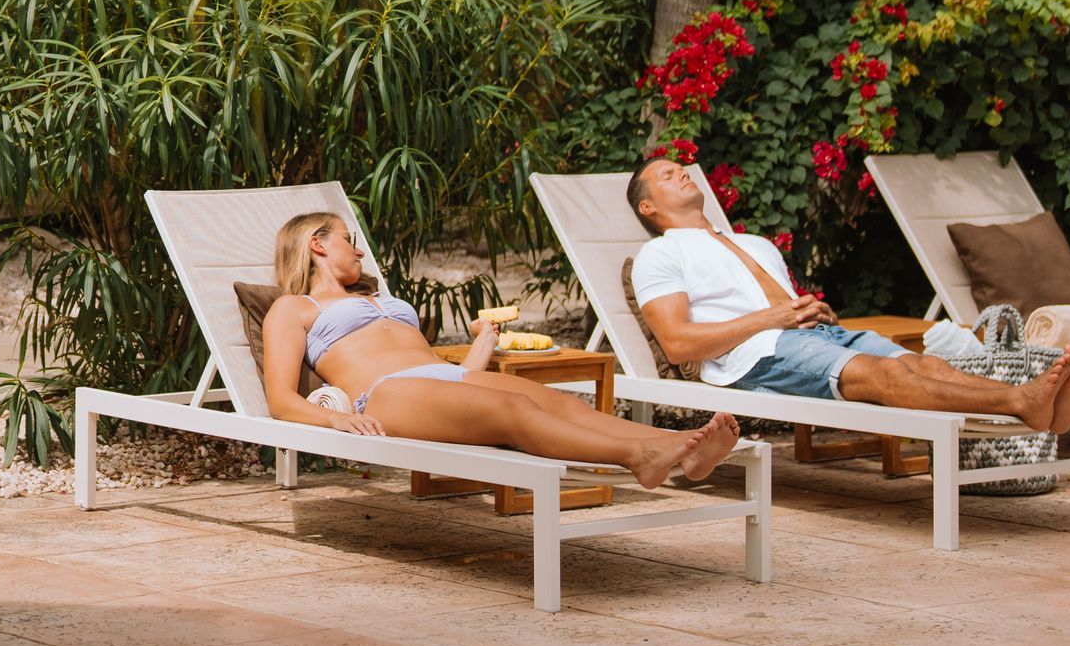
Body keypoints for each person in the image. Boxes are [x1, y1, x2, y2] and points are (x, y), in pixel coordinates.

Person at [260, 209, 742, 490]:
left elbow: (430, 367)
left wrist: (480, 346)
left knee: (556, 403)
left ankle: (683, 452)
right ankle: (638, 455)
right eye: (350, 240)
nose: (360, 251)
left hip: (440, 380)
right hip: (385, 394)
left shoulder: (376, 297)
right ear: (317, 244)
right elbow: (281, 400)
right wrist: (335, 419)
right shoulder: (292, 307)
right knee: (514, 408)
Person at [625, 154, 1070, 433]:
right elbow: (679, 344)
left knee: (923, 363)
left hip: (815, 337)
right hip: (754, 356)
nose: (684, 171)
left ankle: (1031, 401)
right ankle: (1022, 403)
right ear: (648, 206)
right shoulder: (660, 255)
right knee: (884, 375)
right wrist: (776, 319)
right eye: (667, 175)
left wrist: (813, 312)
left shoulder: (753, 244)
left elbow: (782, 308)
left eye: (681, 167)